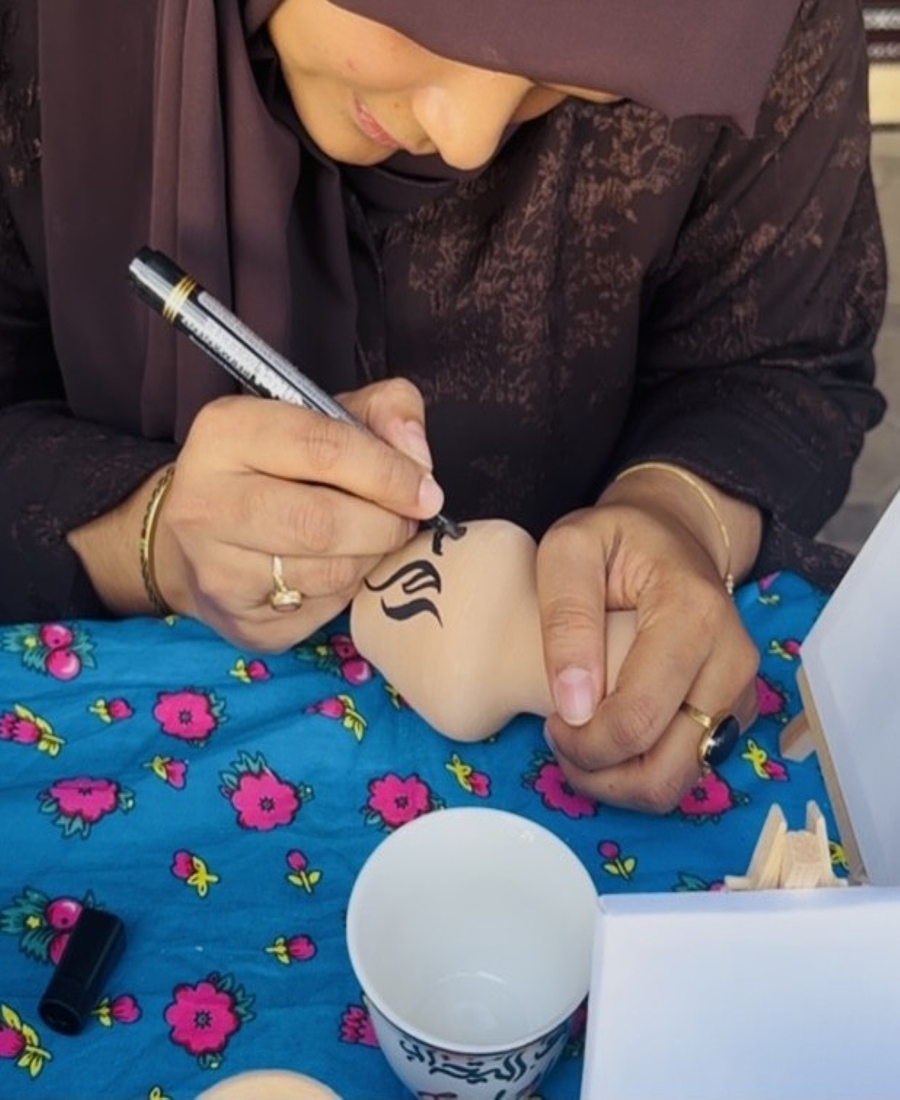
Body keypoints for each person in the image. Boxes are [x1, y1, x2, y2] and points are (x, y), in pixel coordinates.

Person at [0, 0, 886, 812]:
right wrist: (147, 539)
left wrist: (679, 512)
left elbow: (781, 365)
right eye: (434, 19)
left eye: (574, 84)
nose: (465, 140)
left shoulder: (748, 21)